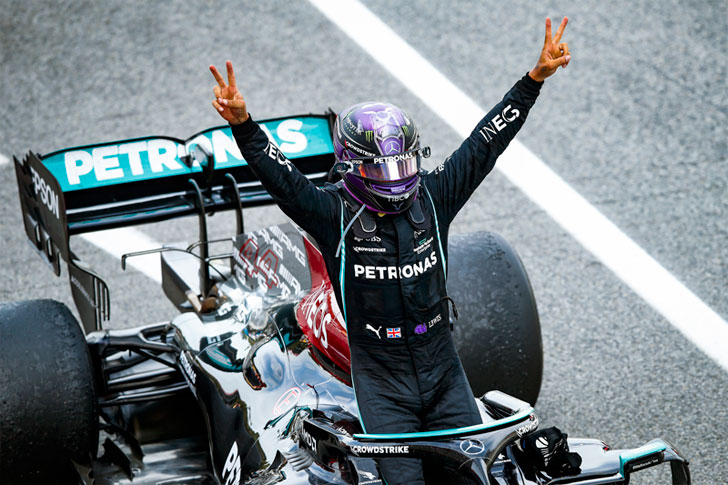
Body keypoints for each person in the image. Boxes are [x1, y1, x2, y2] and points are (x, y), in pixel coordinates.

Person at [210, 16, 570, 485]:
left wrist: (533, 80)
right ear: (352, 167)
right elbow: (283, 179)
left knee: (475, 479)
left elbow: (486, 142)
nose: (394, 177)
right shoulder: (332, 214)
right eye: (381, 168)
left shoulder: (435, 196)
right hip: (382, 386)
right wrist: (244, 126)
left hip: (445, 372)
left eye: (402, 163)